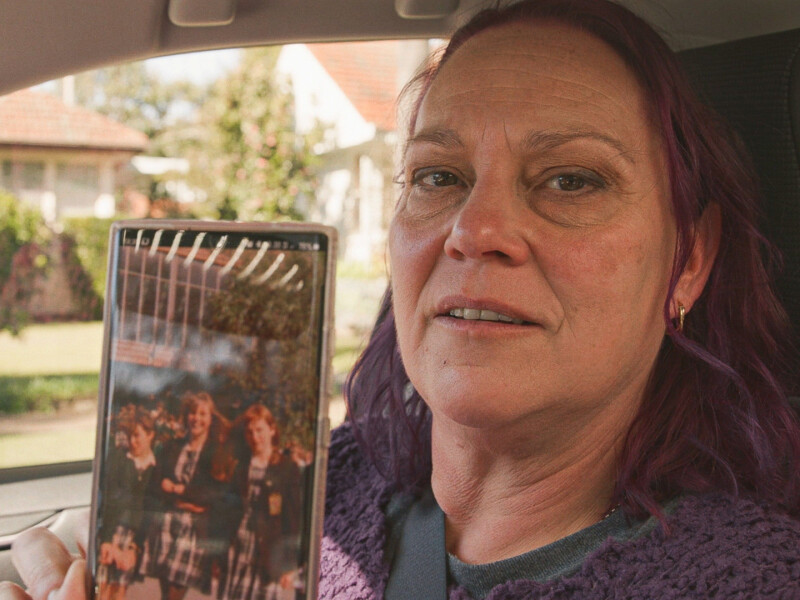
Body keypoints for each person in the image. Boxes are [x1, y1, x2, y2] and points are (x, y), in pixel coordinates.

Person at [3, 1, 800, 599]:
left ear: (690, 259)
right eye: (439, 176)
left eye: (570, 181)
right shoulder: (292, 497)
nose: (474, 230)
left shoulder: (751, 579)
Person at [139, 391, 229, 600]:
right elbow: (155, 485)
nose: (196, 418)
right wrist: (182, 499)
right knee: (166, 592)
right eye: (192, 413)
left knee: (175, 592)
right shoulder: (172, 447)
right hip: (166, 524)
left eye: (202, 414)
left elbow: (216, 493)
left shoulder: (217, 452)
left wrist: (181, 491)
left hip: (195, 529)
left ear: (210, 418)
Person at [219, 404, 301, 600]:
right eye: (250, 432)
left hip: (268, 551)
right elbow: (228, 512)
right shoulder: (241, 467)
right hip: (238, 546)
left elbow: (293, 520)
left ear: (272, 429)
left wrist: (290, 565)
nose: (255, 437)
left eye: (259, 430)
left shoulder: (287, 468)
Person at [96, 407, 157, 600]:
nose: (132, 441)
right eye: (129, 436)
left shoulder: (155, 468)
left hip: (134, 537)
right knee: (103, 586)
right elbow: (110, 502)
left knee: (121, 588)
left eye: (137, 435)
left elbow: (152, 511)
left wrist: (135, 547)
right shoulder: (119, 460)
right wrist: (107, 540)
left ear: (150, 435)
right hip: (113, 529)